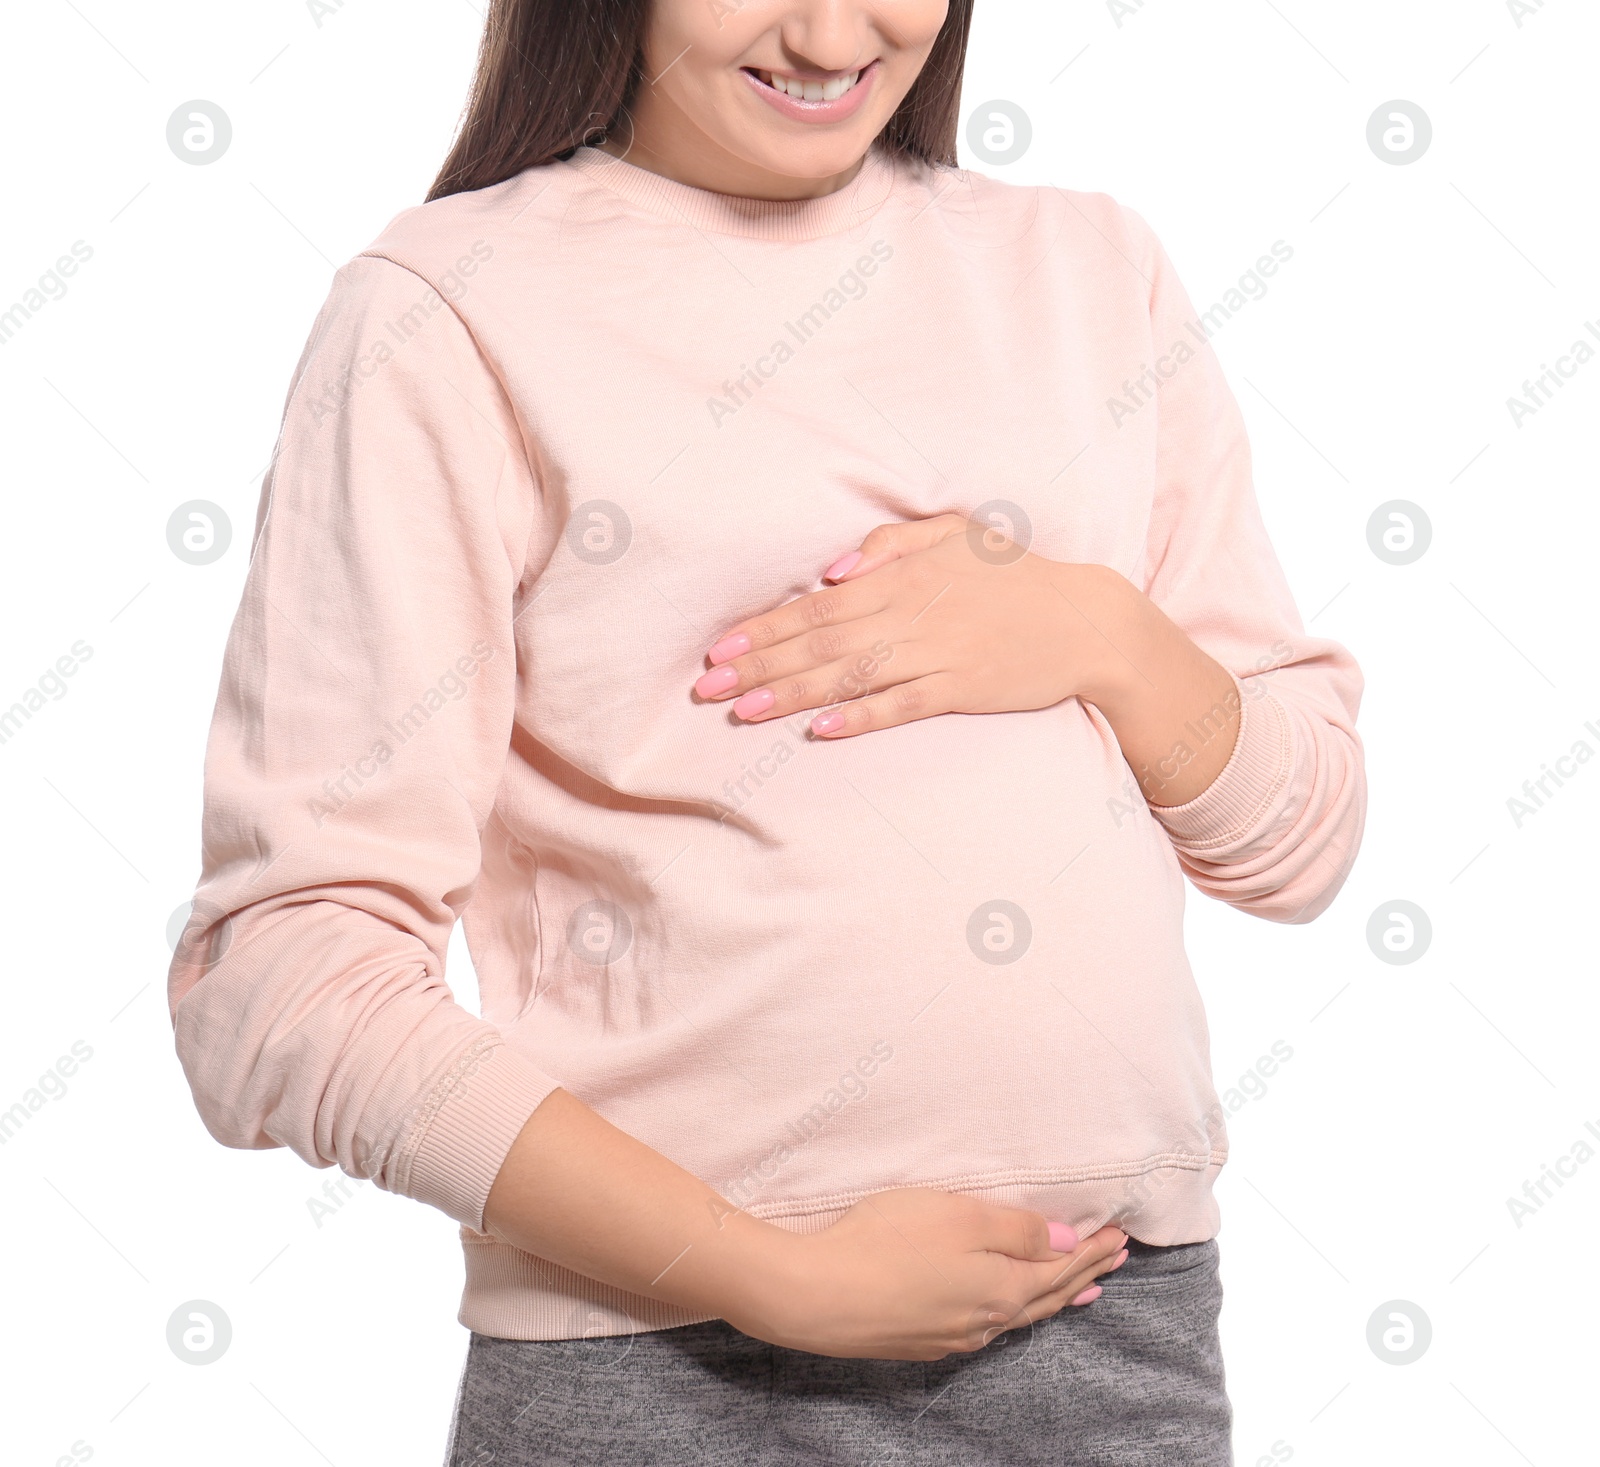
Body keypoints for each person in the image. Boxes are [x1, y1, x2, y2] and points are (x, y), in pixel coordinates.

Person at [167, 1, 1366, 1461]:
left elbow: (1302, 847)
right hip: (660, 1369)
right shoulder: (447, 309)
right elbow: (284, 981)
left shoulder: (1091, 274)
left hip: (1115, 1331)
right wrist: (760, 1271)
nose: (825, 30)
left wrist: (1100, 633)